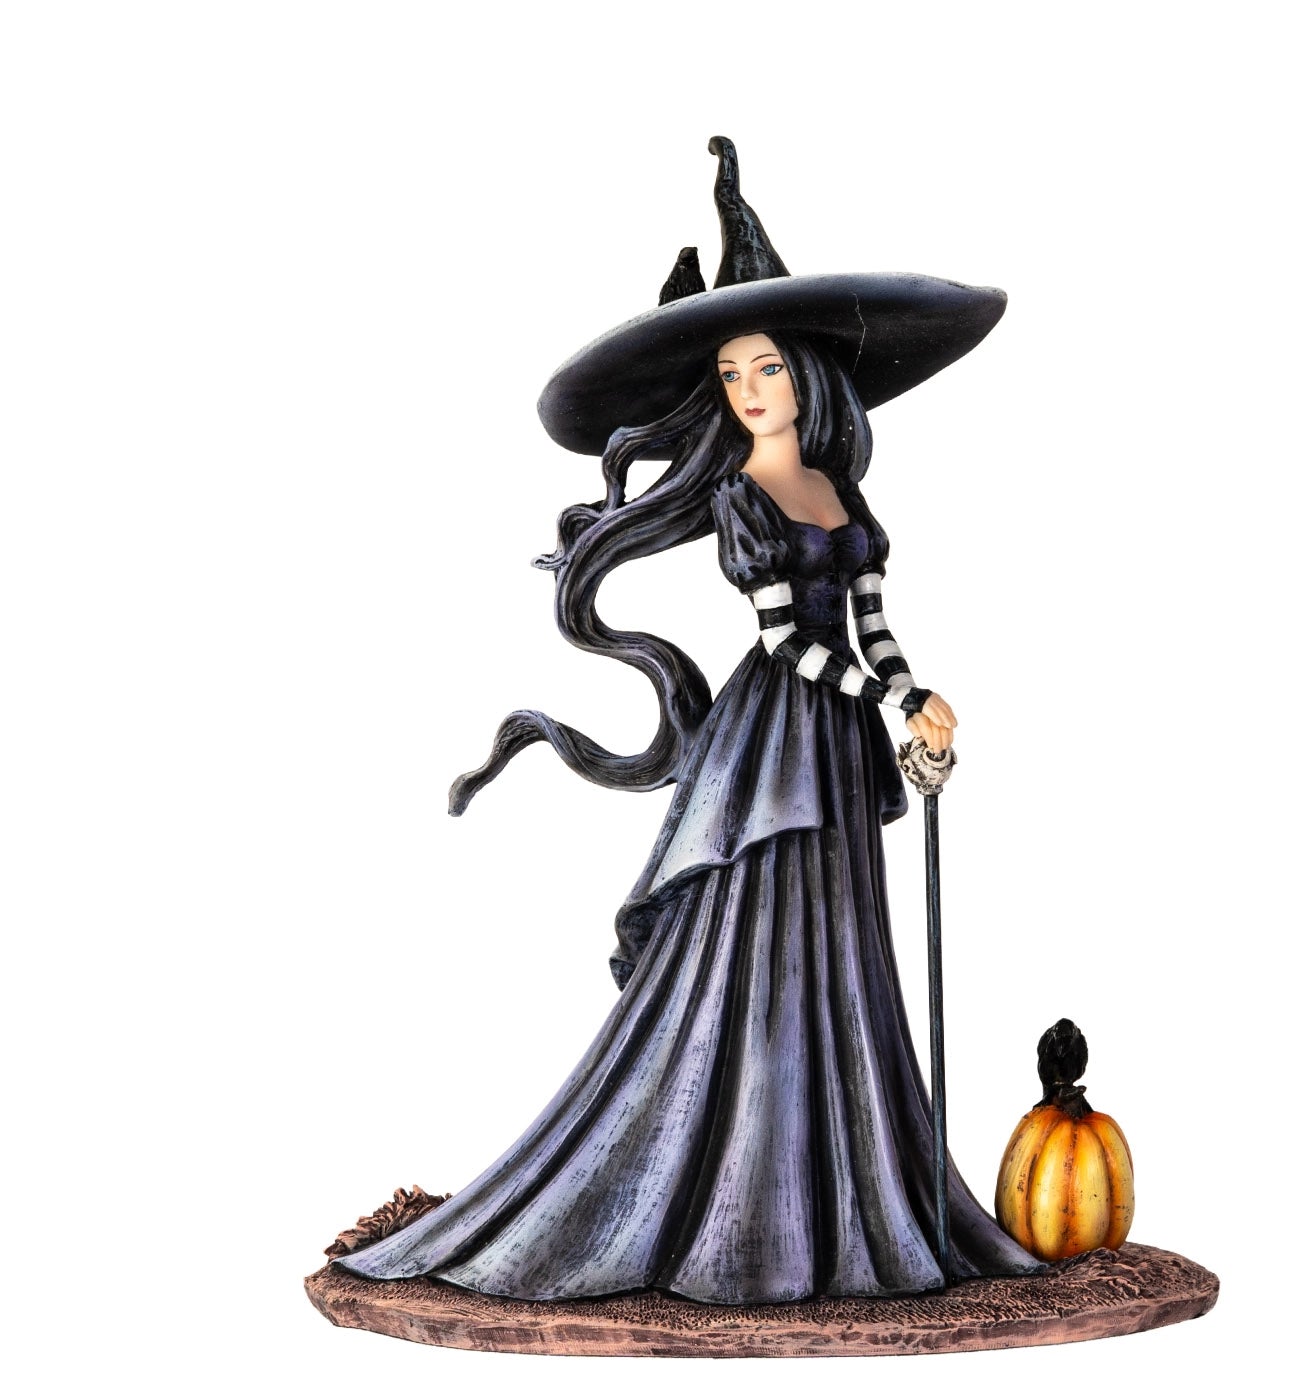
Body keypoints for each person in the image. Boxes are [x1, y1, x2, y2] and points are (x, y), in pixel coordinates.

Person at [335, 139, 1040, 1303]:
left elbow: (872, 625)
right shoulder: (744, 498)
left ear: (807, 376)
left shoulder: (842, 495)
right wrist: (888, 698)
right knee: (756, 946)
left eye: (766, 366)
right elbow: (789, 642)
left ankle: (844, 1190)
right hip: (776, 743)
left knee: (839, 951)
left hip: (837, 741)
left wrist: (918, 707)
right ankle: (736, 1202)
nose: (750, 389)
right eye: (729, 374)